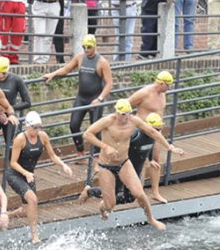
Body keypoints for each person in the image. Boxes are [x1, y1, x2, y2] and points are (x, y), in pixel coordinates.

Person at [80, 99, 184, 229]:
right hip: (106, 165)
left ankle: (151, 219)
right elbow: (87, 134)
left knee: (139, 193)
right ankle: (93, 196)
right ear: (117, 112)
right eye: (123, 114)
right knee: (110, 205)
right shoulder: (108, 121)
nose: (126, 117)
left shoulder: (134, 120)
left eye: (128, 113)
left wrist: (169, 147)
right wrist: (105, 147)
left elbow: (152, 132)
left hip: (124, 162)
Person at [6, 111, 73, 244]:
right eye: (34, 127)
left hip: (29, 175)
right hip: (15, 174)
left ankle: (8, 215)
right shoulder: (20, 139)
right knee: (33, 200)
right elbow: (12, 162)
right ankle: (34, 235)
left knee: (26, 209)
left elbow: (53, 156)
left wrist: (64, 165)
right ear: (27, 126)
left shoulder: (43, 137)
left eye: (39, 127)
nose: (37, 130)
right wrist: (25, 173)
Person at [44, 34, 113, 155]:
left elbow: (109, 84)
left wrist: (100, 99)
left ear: (95, 46)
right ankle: (80, 151)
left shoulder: (102, 62)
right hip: (82, 98)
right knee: (74, 125)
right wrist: (53, 74)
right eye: (84, 47)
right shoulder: (80, 57)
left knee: (95, 130)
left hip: (95, 99)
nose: (86, 49)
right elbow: (66, 69)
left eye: (89, 47)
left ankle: (97, 157)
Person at [128, 71, 175, 203]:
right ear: (161, 83)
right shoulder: (144, 93)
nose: (169, 88)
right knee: (141, 162)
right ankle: (139, 192)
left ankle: (155, 192)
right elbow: (126, 105)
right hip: (142, 131)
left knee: (155, 162)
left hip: (156, 133)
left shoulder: (162, 94)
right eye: (168, 85)